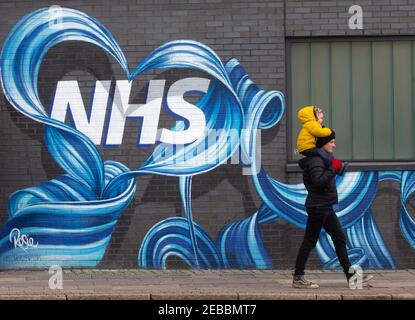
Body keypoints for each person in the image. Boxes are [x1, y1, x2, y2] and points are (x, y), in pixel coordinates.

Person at [292, 131, 373, 289]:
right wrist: (333, 169)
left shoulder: (321, 159)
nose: (334, 145)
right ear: (322, 144)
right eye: (331, 142)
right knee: (310, 241)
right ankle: (298, 277)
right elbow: (318, 182)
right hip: (318, 207)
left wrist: (334, 167)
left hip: (324, 206)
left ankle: (351, 277)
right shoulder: (316, 161)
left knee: (339, 237)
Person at [296, 105, 347, 174]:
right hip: (307, 147)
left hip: (306, 147)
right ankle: (338, 168)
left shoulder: (310, 124)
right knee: (324, 154)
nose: (321, 115)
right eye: (318, 114)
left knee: (324, 155)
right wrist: (329, 130)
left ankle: (338, 168)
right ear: (311, 116)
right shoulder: (312, 124)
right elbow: (319, 132)